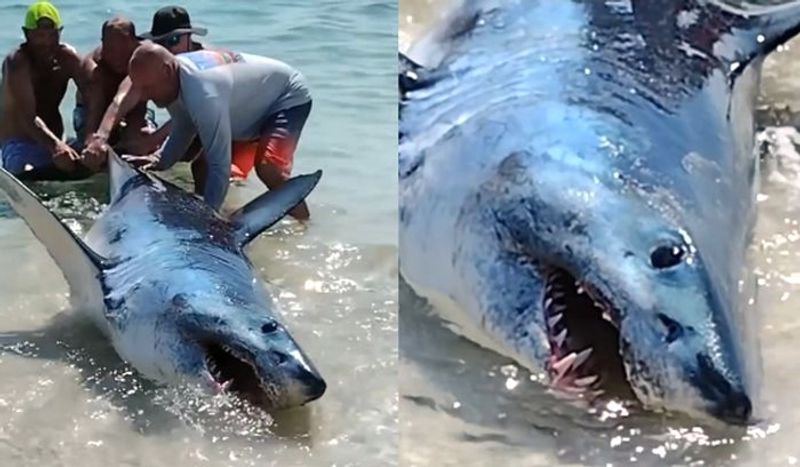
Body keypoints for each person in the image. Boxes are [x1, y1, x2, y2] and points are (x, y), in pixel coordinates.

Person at [124, 43, 313, 218]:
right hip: (250, 106)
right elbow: (184, 125)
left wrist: (207, 219)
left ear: (166, 71)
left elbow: (220, 166)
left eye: (147, 88)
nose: (143, 96)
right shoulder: (174, 78)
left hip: (287, 96)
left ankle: (305, 224)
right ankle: (213, 213)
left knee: (268, 168)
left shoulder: (202, 92)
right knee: (202, 167)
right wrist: (159, 160)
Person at [81, 5, 210, 170]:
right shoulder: (155, 60)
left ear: (190, 37)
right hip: (188, 123)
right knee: (137, 143)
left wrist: (155, 139)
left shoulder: (204, 62)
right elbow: (121, 100)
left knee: (204, 161)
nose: (167, 48)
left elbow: (197, 113)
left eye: (174, 40)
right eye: (161, 42)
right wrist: (101, 137)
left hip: (233, 123)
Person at [0, 1, 93, 179]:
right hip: (21, 143)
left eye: (52, 35)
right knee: (27, 173)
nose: (47, 42)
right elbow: (28, 117)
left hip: (58, 141)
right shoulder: (17, 63)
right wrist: (55, 147)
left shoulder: (67, 58)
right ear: (26, 34)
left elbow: (93, 91)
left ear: (60, 32)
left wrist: (93, 137)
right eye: (39, 35)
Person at [76, 16, 159, 167]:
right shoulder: (93, 66)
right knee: (94, 148)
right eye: (110, 48)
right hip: (91, 111)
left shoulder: (143, 58)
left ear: (135, 43)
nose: (116, 56)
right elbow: (95, 110)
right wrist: (93, 142)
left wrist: (136, 139)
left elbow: (138, 108)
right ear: (102, 44)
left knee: (141, 140)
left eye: (123, 47)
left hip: (132, 108)